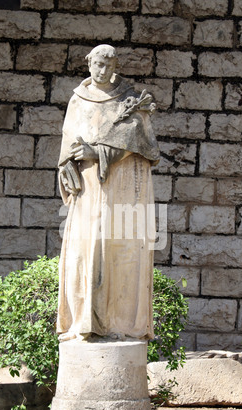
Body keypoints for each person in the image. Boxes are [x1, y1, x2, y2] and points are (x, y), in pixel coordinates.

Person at [57, 44, 159, 342]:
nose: (102, 71)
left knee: (119, 249)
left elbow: (141, 142)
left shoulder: (129, 100)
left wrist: (99, 151)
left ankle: (119, 324)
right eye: (97, 65)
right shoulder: (77, 100)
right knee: (83, 251)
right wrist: (68, 164)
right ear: (88, 64)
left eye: (108, 66)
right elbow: (67, 143)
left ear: (115, 67)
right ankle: (82, 321)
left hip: (120, 187)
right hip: (87, 188)